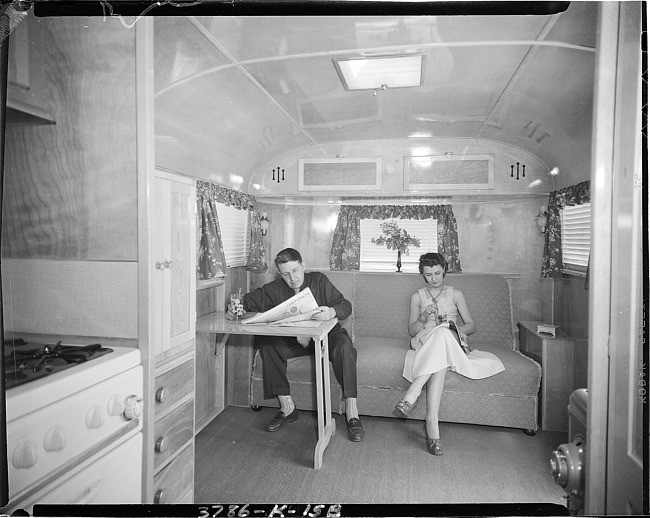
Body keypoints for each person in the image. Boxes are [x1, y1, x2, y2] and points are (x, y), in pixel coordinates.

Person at [226, 247, 364, 442]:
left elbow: (345, 305)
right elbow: (248, 301)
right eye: (285, 274)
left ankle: (352, 411)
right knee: (268, 346)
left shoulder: (319, 280)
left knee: (345, 347)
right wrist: (235, 306)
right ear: (280, 274)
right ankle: (287, 408)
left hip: (327, 335)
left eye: (295, 271)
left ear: (303, 266)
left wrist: (332, 311)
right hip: (295, 341)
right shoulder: (274, 289)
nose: (292, 278)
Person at [395, 252, 505, 455]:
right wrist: (422, 317)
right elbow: (411, 331)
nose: (434, 278)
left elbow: (471, 326)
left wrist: (453, 327)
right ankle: (431, 424)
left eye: (437, 273)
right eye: (429, 275)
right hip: (426, 342)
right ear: (423, 274)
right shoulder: (417, 297)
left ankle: (413, 393)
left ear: (444, 270)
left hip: (451, 340)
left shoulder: (456, 294)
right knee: (439, 348)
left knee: (444, 333)